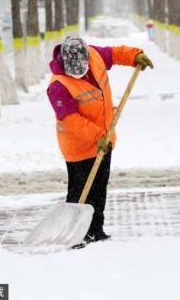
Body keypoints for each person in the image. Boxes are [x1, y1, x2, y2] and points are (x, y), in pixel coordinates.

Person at [47, 37, 154, 245]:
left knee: (98, 189)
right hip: (78, 146)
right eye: (74, 68)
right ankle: (76, 235)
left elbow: (114, 54)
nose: (80, 71)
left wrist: (134, 55)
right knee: (80, 192)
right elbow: (70, 121)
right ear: (65, 63)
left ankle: (96, 231)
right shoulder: (58, 86)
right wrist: (98, 137)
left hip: (105, 139)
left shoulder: (94, 55)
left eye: (83, 65)